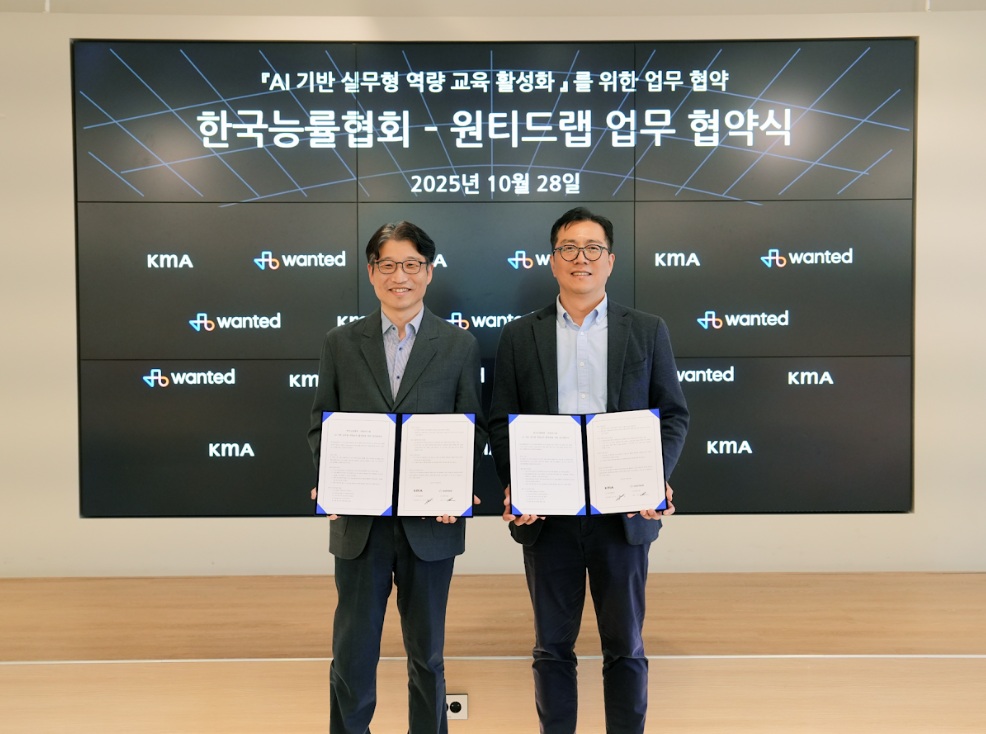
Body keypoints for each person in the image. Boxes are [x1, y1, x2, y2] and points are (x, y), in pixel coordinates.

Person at [488, 207, 689, 734]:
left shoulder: (646, 330)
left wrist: (654, 476)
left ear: (610, 260)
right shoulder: (518, 336)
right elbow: (501, 421)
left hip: (622, 515)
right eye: (569, 248)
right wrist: (518, 484)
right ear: (553, 260)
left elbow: (673, 415)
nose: (582, 258)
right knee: (552, 647)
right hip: (547, 517)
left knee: (625, 645)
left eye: (593, 248)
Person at [308, 221, 486, 734]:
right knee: (352, 654)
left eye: (411, 265)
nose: (399, 276)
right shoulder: (341, 343)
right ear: (371, 273)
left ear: (429, 272)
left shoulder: (458, 345)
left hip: (431, 525)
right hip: (359, 525)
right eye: (387, 265)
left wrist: (458, 486)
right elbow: (322, 424)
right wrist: (328, 479)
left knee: (427, 656)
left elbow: (470, 429)